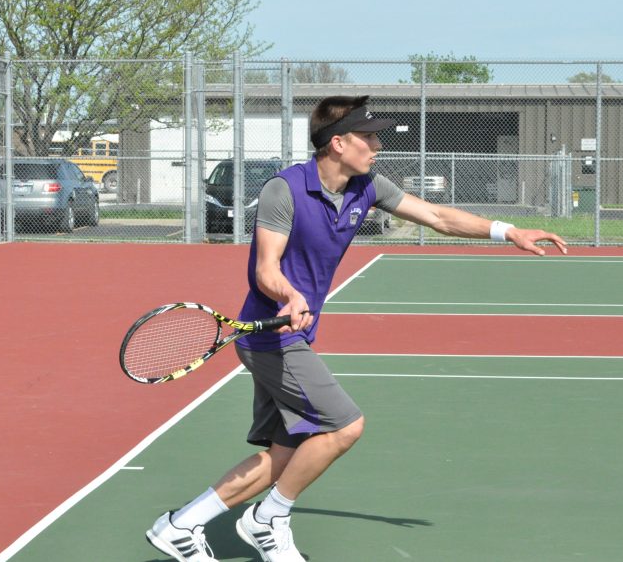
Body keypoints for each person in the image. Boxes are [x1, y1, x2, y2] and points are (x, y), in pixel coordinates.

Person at [146, 95, 568, 561]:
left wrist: (508, 231)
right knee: (345, 426)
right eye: (368, 136)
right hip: (271, 336)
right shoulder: (283, 191)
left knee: (284, 457)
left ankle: (179, 526)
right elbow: (265, 268)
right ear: (338, 142)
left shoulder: (366, 185)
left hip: (295, 335)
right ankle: (267, 521)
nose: (377, 145)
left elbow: (437, 217)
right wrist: (289, 295)